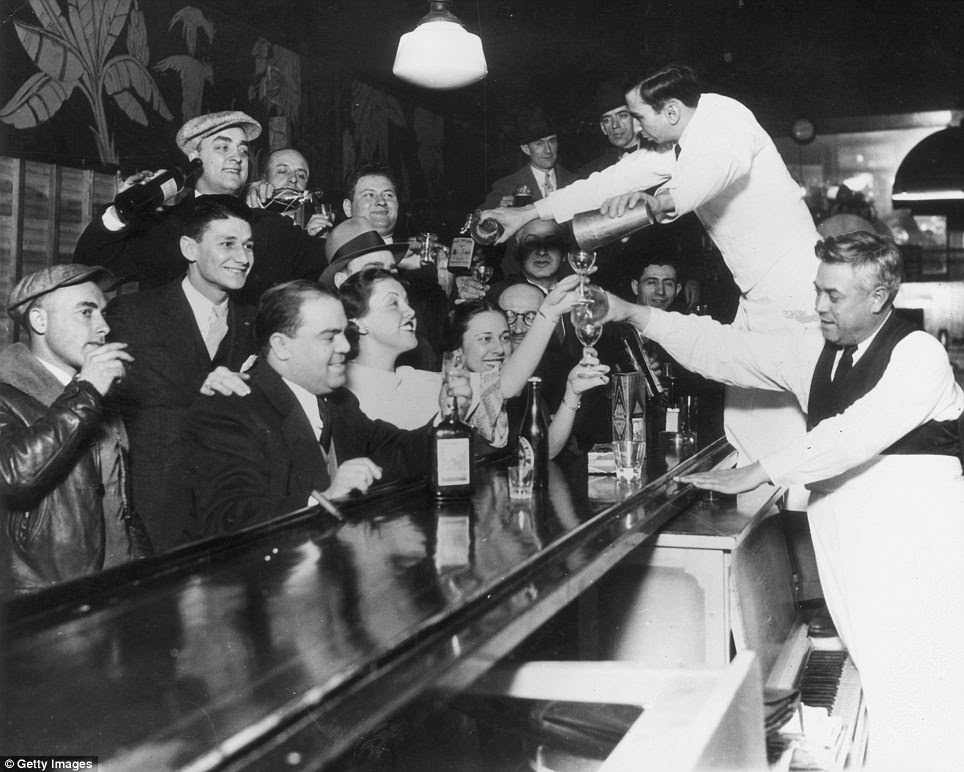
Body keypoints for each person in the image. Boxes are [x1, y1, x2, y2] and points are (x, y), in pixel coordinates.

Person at [603, 231, 964, 769]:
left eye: (833, 296)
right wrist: (632, 312)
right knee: (884, 692)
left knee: (925, 704)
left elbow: (853, 433)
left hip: (913, 557)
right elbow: (724, 350)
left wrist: (761, 470)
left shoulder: (920, 354)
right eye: (818, 290)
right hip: (848, 551)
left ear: (879, 296)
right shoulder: (816, 348)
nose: (818, 305)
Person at [482, 64, 821, 509]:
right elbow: (609, 181)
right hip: (757, 296)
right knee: (744, 426)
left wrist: (660, 200)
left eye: (639, 117)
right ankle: (758, 540)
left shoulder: (727, 121)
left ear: (673, 110)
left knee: (794, 441)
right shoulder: (677, 141)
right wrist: (526, 214)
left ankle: (796, 532)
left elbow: (712, 174)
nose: (634, 128)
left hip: (798, 292)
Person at [181, 280, 471, 541]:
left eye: (344, 333)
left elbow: (396, 452)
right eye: (329, 336)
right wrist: (324, 499)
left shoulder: (337, 403)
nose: (346, 346)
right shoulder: (228, 410)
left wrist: (448, 418)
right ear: (281, 346)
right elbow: (227, 519)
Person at [106, 196, 258, 552]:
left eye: (248, 246)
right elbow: (120, 404)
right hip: (154, 516)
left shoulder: (258, 321)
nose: (243, 258)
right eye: (227, 244)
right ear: (190, 248)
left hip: (231, 513)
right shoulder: (132, 313)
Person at [1, 265, 152, 594]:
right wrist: (86, 393)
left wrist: (144, 568)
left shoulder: (97, 393)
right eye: (86, 312)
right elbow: (13, 476)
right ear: (40, 322)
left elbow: (119, 499)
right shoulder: (7, 392)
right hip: (45, 599)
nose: (104, 326)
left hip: (115, 588)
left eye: (103, 312)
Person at [74, 110, 328, 305]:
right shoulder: (161, 226)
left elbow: (333, 263)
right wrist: (121, 213)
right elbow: (90, 270)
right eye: (222, 147)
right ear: (194, 159)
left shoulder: (273, 227)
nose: (237, 156)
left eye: (242, 150)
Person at [442, 294, 608, 458]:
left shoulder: (524, 390)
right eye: (485, 339)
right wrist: (548, 314)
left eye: (505, 338)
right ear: (458, 350)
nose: (499, 349)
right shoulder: (450, 395)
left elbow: (545, 450)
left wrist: (572, 392)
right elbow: (501, 389)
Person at [341, 164, 452, 363]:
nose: (381, 202)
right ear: (348, 207)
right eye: (368, 195)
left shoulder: (427, 266)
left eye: (388, 195)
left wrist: (452, 286)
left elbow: (441, 337)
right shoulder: (336, 259)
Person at [482, 112, 579, 210]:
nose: (548, 150)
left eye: (552, 141)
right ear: (526, 149)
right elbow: (477, 219)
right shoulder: (505, 187)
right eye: (539, 144)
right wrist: (497, 209)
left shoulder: (576, 182)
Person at [245, 147, 334, 237]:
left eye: (301, 176)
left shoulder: (311, 227)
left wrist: (310, 241)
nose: (294, 179)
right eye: (282, 171)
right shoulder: (247, 218)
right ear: (264, 179)